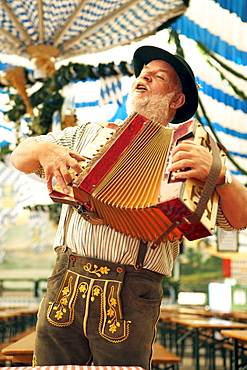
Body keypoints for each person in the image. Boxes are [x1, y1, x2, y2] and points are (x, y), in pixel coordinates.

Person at [11, 45, 247, 369]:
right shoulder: (88, 133)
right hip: (66, 276)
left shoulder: (191, 154)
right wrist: (45, 151)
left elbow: (239, 219)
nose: (143, 77)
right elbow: (20, 156)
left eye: (157, 75)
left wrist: (220, 175)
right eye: (142, 73)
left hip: (133, 290)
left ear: (176, 100)